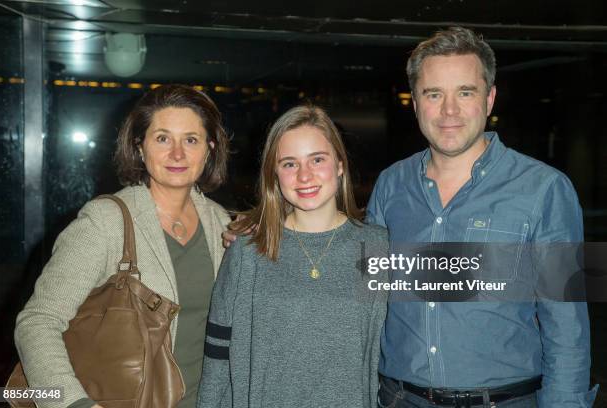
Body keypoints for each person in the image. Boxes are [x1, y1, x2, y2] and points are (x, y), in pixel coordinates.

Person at [368, 27, 597, 407]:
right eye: (434, 93)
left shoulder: (545, 189)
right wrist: (273, 236)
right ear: (415, 102)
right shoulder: (391, 185)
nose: (449, 111)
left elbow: (567, 329)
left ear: (489, 99)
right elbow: (367, 293)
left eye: (465, 92)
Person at [14, 84, 231, 408]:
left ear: (209, 149)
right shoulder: (105, 223)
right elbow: (38, 322)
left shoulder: (220, 223)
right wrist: (75, 405)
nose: (177, 153)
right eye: (162, 138)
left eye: (190, 139)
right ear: (140, 147)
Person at [198, 105, 388, 408]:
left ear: (340, 164)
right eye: (289, 164)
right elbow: (218, 356)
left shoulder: (376, 247)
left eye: (317, 159)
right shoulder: (248, 252)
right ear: (274, 174)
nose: (304, 175)